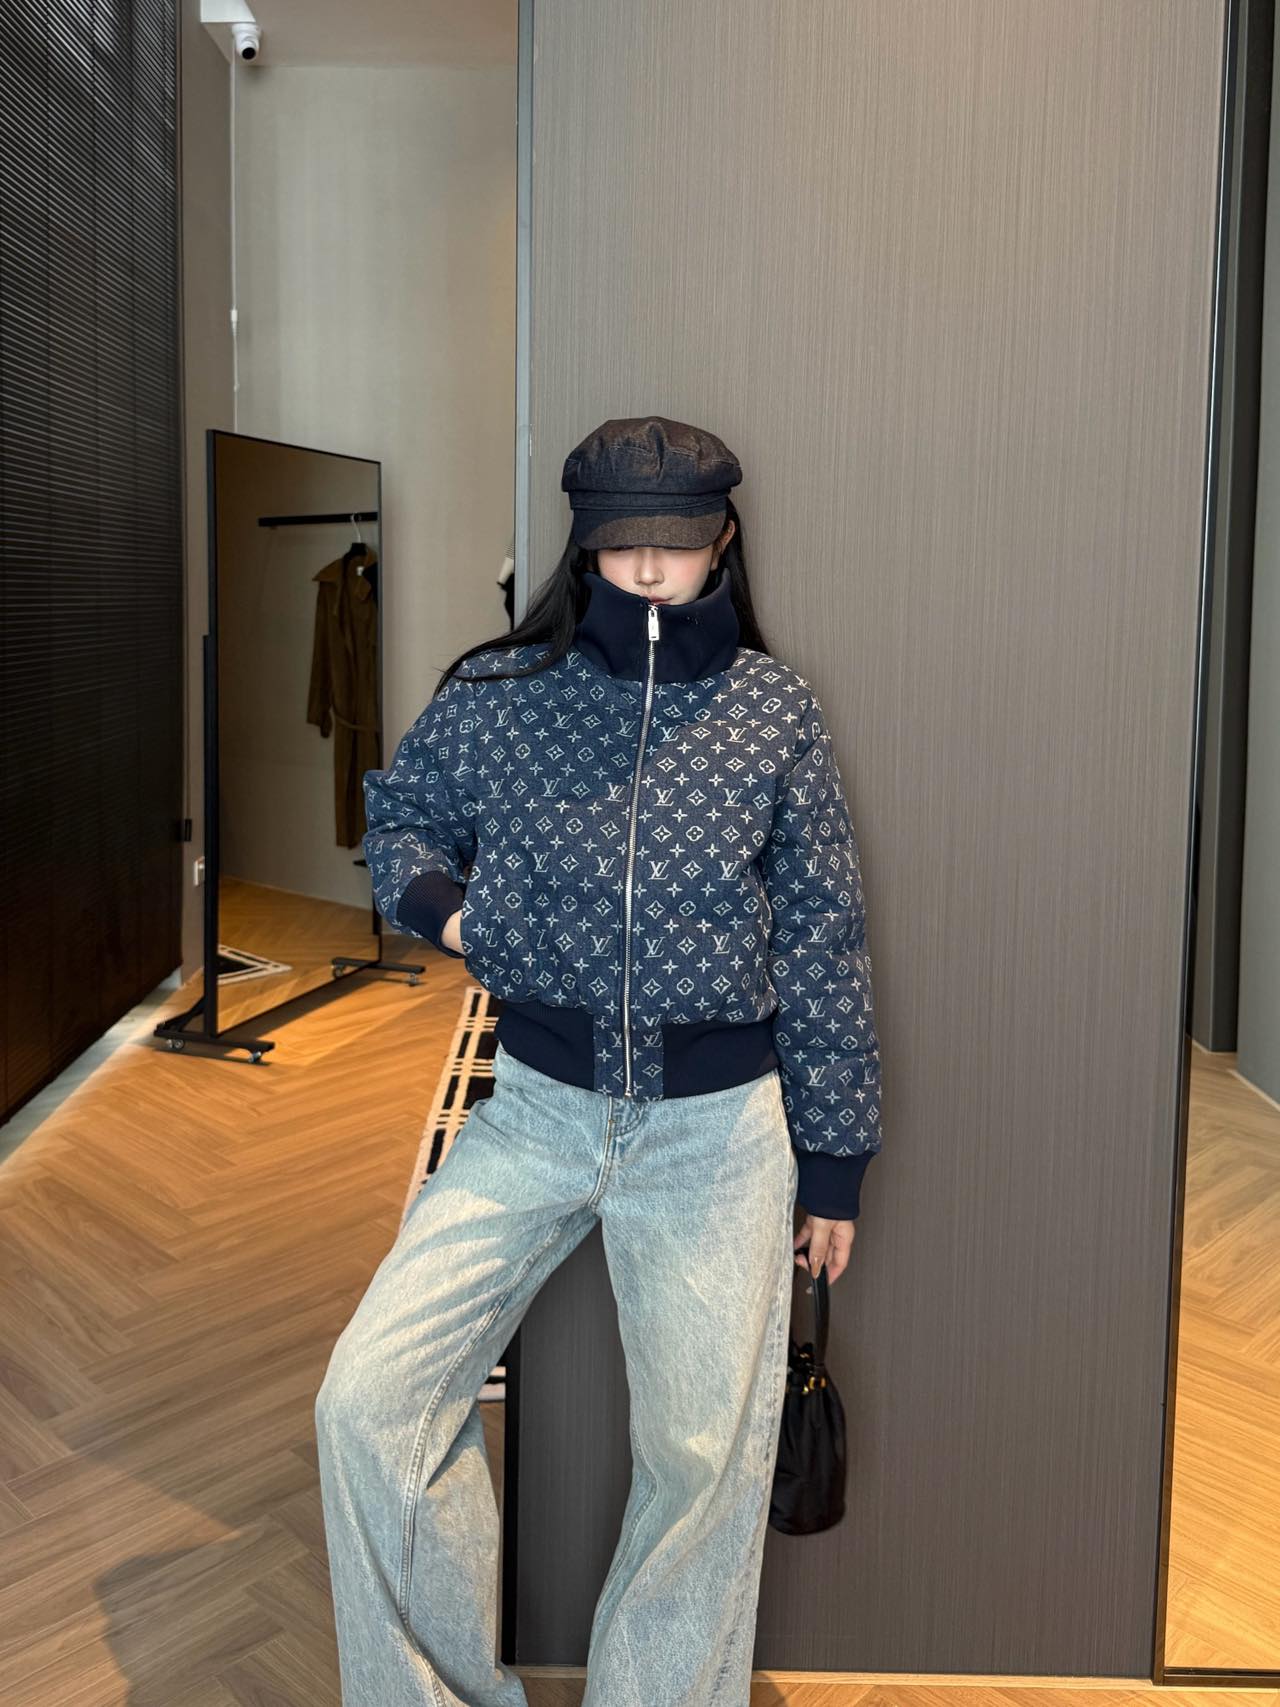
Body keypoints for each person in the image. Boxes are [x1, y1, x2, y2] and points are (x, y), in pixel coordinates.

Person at [314, 415, 883, 1706]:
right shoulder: (502, 694)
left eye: (673, 544)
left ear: (722, 541)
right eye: (623, 544)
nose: (648, 569)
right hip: (537, 1109)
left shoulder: (774, 711)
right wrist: (453, 920)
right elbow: (401, 818)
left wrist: (835, 1164)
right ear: (584, 544)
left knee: (702, 1461)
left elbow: (824, 938)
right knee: (371, 1401)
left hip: (717, 1133)